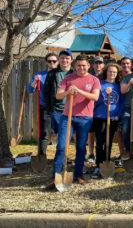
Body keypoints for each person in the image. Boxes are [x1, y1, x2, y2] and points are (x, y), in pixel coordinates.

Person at [46, 54, 100, 189]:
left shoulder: (94, 80)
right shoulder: (68, 78)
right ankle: (56, 177)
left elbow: (95, 97)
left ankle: (78, 175)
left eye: (84, 65)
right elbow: (58, 95)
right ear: (75, 66)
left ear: (88, 66)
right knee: (61, 147)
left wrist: (79, 91)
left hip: (85, 118)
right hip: (67, 117)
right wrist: (67, 92)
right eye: (78, 65)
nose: (81, 68)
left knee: (81, 147)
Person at [91, 63, 124, 179]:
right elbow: (95, 100)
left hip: (113, 118)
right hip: (100, 116)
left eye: (114, 72)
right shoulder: (100, 84)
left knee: (109, 142)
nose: (112, 74)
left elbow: (121, 102)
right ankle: (98, 164)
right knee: (100, 142)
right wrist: (104, 94)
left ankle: (107, 161)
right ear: (106, 72)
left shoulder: (118, 86)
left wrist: (118, 115)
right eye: (110, 72)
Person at [27, 53, 58, 156]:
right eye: (49, 61)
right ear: (46, 62)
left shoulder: (61, 74)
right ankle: (41, 155)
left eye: (54, 61)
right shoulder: (40, 75)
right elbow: (30, 89)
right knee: (44, 132)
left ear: (57, 62)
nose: (52, 63)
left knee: (60, 132)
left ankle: (60, 156)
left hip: (59, 108)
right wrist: (35, 82)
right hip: (44, 107)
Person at [43, 49, 74, 140]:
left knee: (71, 135)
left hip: (72, 109)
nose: (64, 60)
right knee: (60, 135)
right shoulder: (52, 74)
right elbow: (46, 92)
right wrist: (50, 108)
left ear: (71, 60)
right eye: (62, 58)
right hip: (57, 110)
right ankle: (61, 153)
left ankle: (65, 153)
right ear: (59, 60)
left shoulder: (75, 74)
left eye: (67, 58)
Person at [87, 56, 105, 162]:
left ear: (103, 65)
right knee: (91, 132)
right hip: (90, 108)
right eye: (96, 63)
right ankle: (91, 154)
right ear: (93, 65)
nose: (98, 65)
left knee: (100, 133)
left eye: (100, 63)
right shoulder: (89, 77)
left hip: (101, 109)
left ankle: (100, 153)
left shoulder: (105, 77)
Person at [114, 57, 132, 164]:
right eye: (123, 63)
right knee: (120, 132)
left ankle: (131, 152)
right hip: (118, 106)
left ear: (131, 65)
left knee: (129, 131)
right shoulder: (118, 77)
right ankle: (122, 153)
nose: (125, 65)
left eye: (127, 63)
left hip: (130, 107)